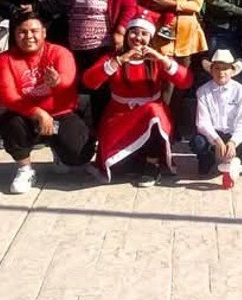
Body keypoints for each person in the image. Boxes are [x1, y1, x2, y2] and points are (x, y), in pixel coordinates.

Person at [83, 15, 193, 185]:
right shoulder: (115, 57)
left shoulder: (156, 59)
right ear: (127, 35)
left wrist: (163, 60)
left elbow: (186, 81)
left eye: (144, 34)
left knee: (154, 111)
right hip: (120, 117)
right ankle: (134, 159)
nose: (138, 38)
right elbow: (89, 81)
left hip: (153, 118)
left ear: (150, 37)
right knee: (120, 168)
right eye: (134, 33)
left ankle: (152, 164)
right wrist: (119, 61)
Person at [0, 13, 92, 193]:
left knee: (80, 154)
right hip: (26, 115)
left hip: (60, 113)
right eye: (22, 32)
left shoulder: (60, 53)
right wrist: (37, 112)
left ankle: (59, 150)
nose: (29, 36)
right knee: (9, 122)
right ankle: (25, 169)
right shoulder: (5, 59)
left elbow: (68, 79)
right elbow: (7, 96)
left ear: (44, 33)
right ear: (15, 35)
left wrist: (58, 82)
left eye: (34, 31)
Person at [68, 0, 132, 123]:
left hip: (100, 47)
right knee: (82, 88)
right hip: (78, 48)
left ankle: (100, 128)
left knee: (99, 89)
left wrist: (120, 31)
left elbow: (130, 6)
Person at [191, 49, 242, 177]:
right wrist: (217, 140)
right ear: (211, 70)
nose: (221, 73)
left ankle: (234, 160)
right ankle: (208, 160)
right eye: (217, 68)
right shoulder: (202, 91)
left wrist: (233, 142)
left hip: (232, 133)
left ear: (232, 71)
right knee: (197, 142)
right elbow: (202, 122)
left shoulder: (241, 91)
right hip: (214, 135)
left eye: (225, 69)